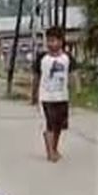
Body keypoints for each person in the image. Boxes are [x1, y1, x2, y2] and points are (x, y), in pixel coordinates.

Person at [32, 27, 71, 163]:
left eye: (54, 41)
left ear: (61, 41)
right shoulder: (42, 58)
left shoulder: (67, 58)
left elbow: (73, 74)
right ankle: (50, 152)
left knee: (59, 126)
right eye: (48, 41)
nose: (51, 44)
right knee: (49, 124)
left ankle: (54, 148)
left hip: (62, 97)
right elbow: (36, 77)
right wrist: (34, 95)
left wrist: (77, 88)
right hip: (46, 97)